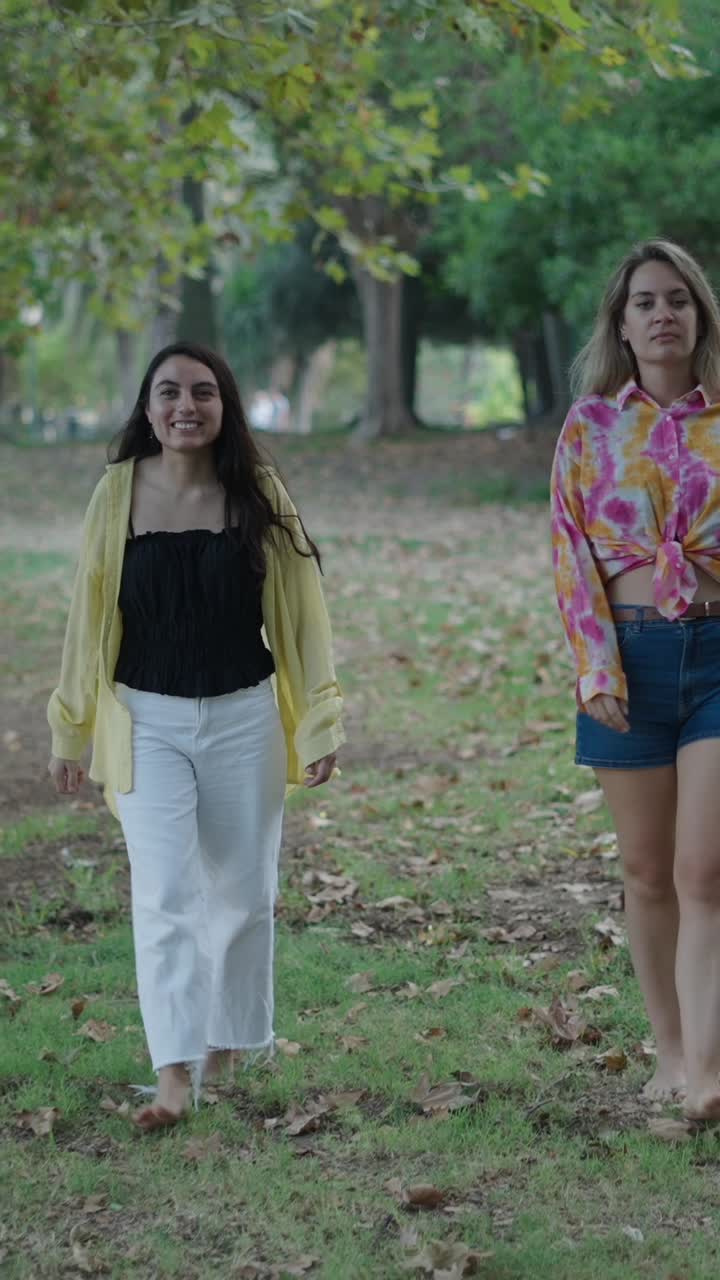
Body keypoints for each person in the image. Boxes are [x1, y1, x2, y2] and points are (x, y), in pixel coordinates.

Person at [47, 342, 344, 1130]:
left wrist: (316, 719)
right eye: (169, 392)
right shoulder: (116, 496)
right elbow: (87, 618)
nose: (186, 406)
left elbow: (302, 614)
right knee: (167, 894)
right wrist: (71, 731)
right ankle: (173, 1072)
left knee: (244, 894)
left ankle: (230, 1039)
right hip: (146, 722)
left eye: (203, 392)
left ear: (225, 407)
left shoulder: (256, 491)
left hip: (245, 718)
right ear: (146, 409)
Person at [551, 239, 720, 1121]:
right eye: (646, 301)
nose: (664, 314)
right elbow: (570, 553)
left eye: (680, 299)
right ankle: (672, 1052)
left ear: (700, 316)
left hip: (719, 655)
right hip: (630, 659)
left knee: (705, 869)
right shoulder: (589, 426)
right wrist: (594, 667)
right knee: (648, 873)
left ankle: (711, 1071)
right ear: (621, 322)